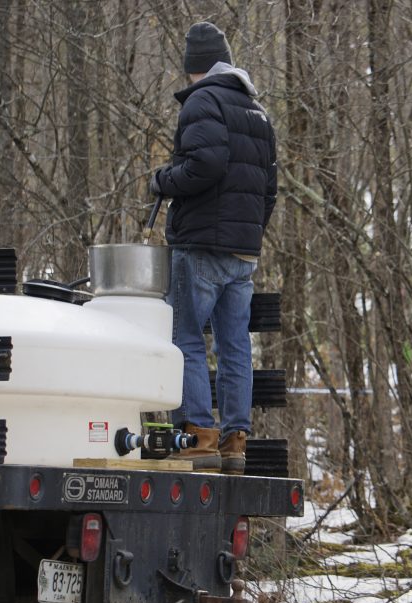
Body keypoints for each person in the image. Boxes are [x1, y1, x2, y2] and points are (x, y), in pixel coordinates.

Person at [150, 21, 277, 474]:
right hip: (243, 252)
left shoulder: (203, 100)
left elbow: (204, 163)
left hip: (201, 245)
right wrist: (249, 234)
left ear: (194, 68)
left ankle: (199, 436)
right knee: (234, 345)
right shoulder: (257, 112)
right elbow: (269, 190)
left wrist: (163, 180)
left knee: (184, 339)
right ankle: (234, 442)